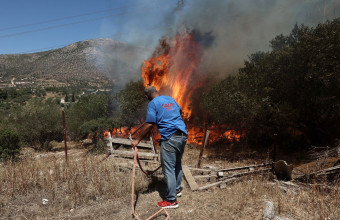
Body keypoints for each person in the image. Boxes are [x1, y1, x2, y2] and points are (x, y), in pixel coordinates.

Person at [131, 86, 188, 209]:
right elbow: (180, 112)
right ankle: (177, 190)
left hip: (170, 138)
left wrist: (137, 140)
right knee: (177, 164)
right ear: (156, 92)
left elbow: (150, 123)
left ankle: (171, 200)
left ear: (147, 97)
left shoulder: (152, 103)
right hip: (182, 135)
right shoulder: (170, 99)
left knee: (168, 169)